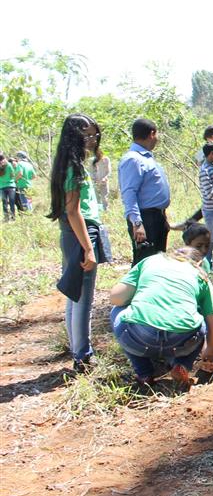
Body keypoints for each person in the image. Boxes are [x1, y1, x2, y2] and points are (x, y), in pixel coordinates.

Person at [48, 114, 112, 372]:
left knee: (74, 293)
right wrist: (88, 248)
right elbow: (74, 211)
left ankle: (78, 350)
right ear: (74, 136)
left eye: (95, 135)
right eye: (87, 135)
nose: (92, 139)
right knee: (83, 298)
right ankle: (83, 357)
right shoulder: (74, 167)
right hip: (81, 233)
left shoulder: (70, 164)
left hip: (76, 232)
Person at [108, 247, 213, 387]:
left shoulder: (151, 261)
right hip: (181, 340)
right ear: (199, 264)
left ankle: (144, 374)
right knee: (201, 318)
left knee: (118, 310)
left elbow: (116, 298)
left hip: (139, 337)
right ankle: (182, 365)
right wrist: (209, 351)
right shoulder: (200, 275)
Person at [118, 118, 173, 265]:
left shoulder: (147, 158)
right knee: (145, 263)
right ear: (152, 134)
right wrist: (137, 223)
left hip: (156, 217)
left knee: (158, 262)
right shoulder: (133, 159)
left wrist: (163, 216)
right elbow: (129, 193)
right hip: (146, 219)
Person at [0, 154, 17, 221]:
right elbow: (13, 175)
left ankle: (7, 217)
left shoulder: (7, 166)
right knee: (11, 202)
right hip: (10, 186)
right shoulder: (9, 165)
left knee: (5, 203)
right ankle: (12, 217)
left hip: (3, 186)